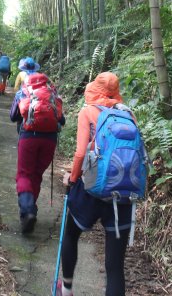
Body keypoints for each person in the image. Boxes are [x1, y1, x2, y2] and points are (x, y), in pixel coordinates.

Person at [56, 72, 133, 296]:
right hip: (123, 194)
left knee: (71, 234)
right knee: (115, 266)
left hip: (91, 189)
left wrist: (72, 180)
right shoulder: (128, 114)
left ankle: (67, 289)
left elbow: (80, 153)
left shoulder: (88, 112)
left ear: (94, 90)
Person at [10, 71, 64, 234]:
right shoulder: (53, 95)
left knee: (24, 174)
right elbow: (62, 120)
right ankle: (30, 209)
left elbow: (13, 116)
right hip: (50, 140)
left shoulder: (24, 92)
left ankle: (28, 210)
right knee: (37, 174)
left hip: (29, 137)